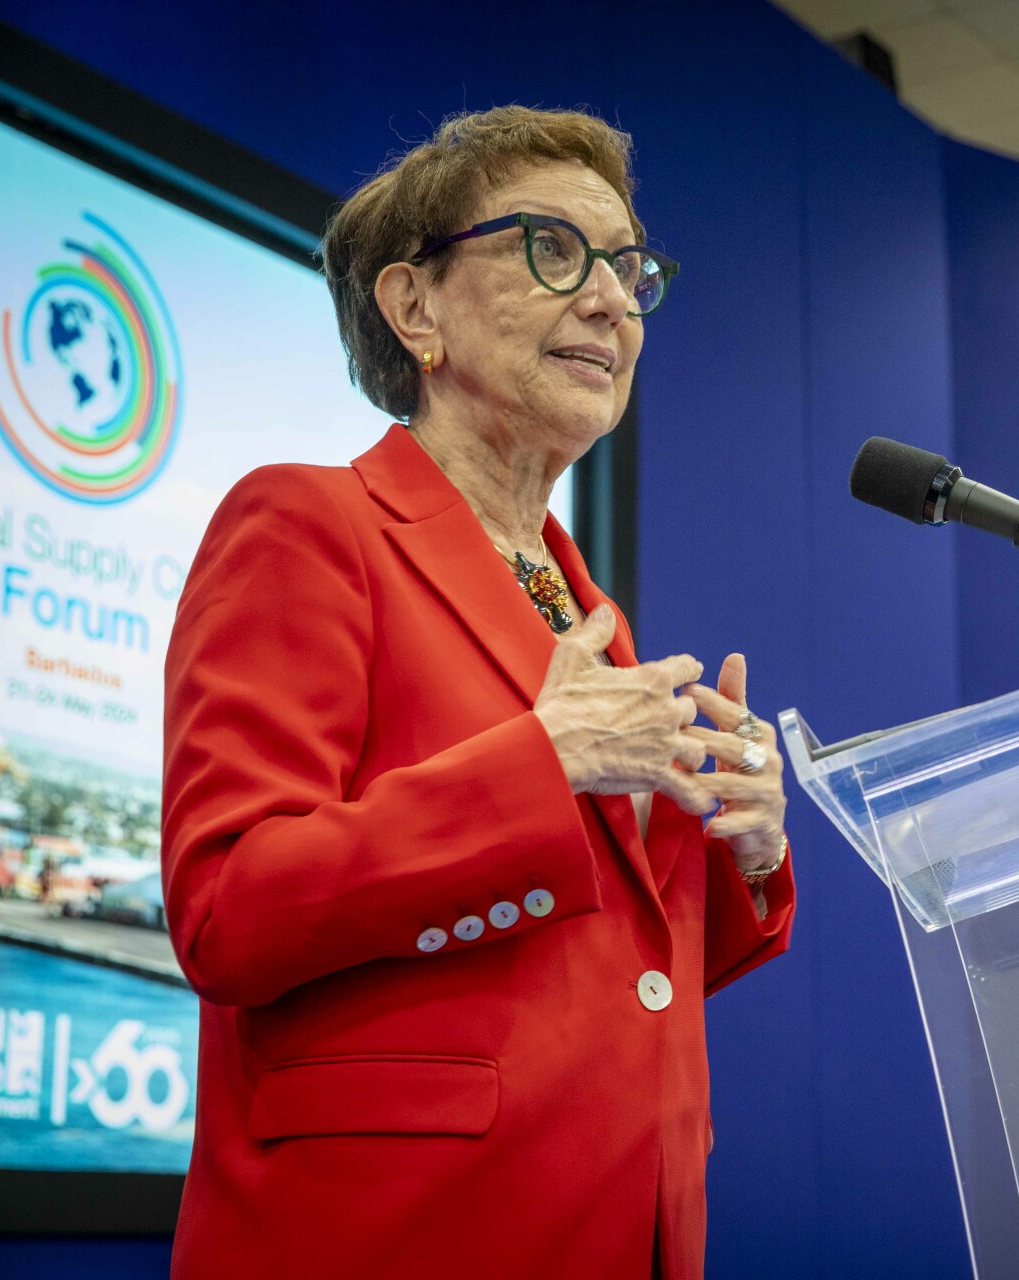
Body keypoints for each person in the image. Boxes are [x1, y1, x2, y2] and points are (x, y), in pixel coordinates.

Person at [160, 105, 794, 1279]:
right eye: (554, 250)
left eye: (630, 270)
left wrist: (742, 851)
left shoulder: (587, 613)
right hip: (388, 1235)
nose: (611, 302)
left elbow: (605, 973)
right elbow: (225, 906)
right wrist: (541, 764)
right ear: (417, 309)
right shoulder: (307, 525)